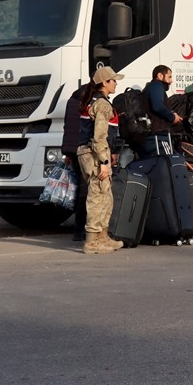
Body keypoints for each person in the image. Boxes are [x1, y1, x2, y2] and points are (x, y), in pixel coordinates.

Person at [77, 65, 125, 254]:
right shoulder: (103, 105)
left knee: (106, 196)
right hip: (95, 155)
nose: (116, 84)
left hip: (90, 153)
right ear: (104, 82)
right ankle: (92, 242)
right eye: (113, 81)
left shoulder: (92, 101)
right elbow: (99, 137)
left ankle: (102, 237)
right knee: (98, 197)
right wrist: (104, 162)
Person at [61, 82, 92, 243]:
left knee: (79, 188)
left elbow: (68, 127)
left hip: (72, 151)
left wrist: (68, 152)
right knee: (85, 191)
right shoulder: (87, 104)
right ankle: (81, 230)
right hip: (84, 150)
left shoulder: (71, 102)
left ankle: (78, 229)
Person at [139, 64, 179, 157]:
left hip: (154, 135)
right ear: (160, 76)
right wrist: (172, 117)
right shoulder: (156, 86)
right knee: (166, 161)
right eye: (169, 77)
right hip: (158, 136)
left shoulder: (152, 87)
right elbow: (158, 107)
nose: (171, 81)